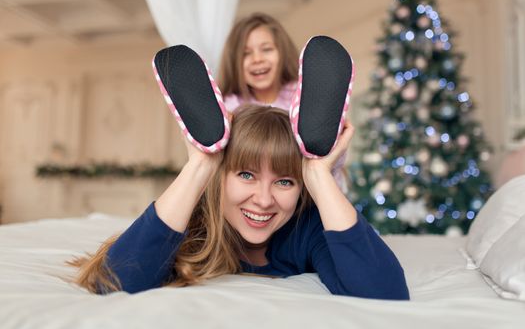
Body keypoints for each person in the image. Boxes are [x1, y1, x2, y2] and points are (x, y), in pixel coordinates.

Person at [71, 105, 409, 300]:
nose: (263, 200)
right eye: (246, 175)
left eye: (284, 181)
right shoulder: (194, 221)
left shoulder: (307, 226)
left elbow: (386, 294)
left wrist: (319, 175)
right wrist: (201, 165)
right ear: (222, 175)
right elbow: (111, 284)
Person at [218, 12, 349, 192]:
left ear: (282, 52)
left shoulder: (306, 99)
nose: (257, 59)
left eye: (267, 49)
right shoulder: (230, 111)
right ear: (234, 63)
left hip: (310, 193)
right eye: (245, 54)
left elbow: (332, 163)